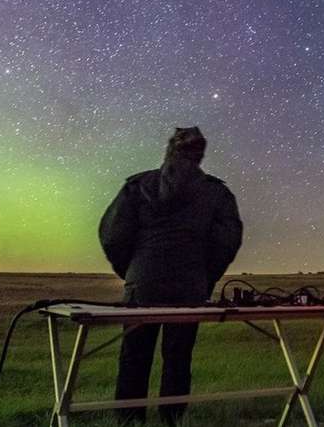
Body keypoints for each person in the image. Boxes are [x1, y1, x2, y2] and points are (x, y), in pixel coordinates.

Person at [98, 126, 243, 425]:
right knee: (178, 359)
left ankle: (129, 420)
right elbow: (227, 242)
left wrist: (132, 271)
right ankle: (174, 419)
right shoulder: (217, 192)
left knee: (134, 357)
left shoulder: (138, 185)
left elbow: (113, 235)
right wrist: (205, 277)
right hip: (190, 288)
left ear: (169, 150)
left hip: (143, 285)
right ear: (200, 154)